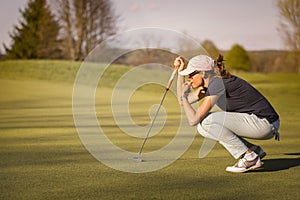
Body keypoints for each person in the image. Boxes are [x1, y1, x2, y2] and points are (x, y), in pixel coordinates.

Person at [174, 54, 280, 173]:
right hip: (261, 123)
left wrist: (184, 96)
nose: (189, 78)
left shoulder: (217, 84)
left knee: (207, 121)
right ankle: (253, 150)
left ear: (203, 73)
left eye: (191, 74)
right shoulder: (211, 84)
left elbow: (193, 119)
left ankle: (250, 157)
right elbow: (182, 101)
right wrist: (180, 73)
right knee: (203, 128)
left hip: (264, 123)